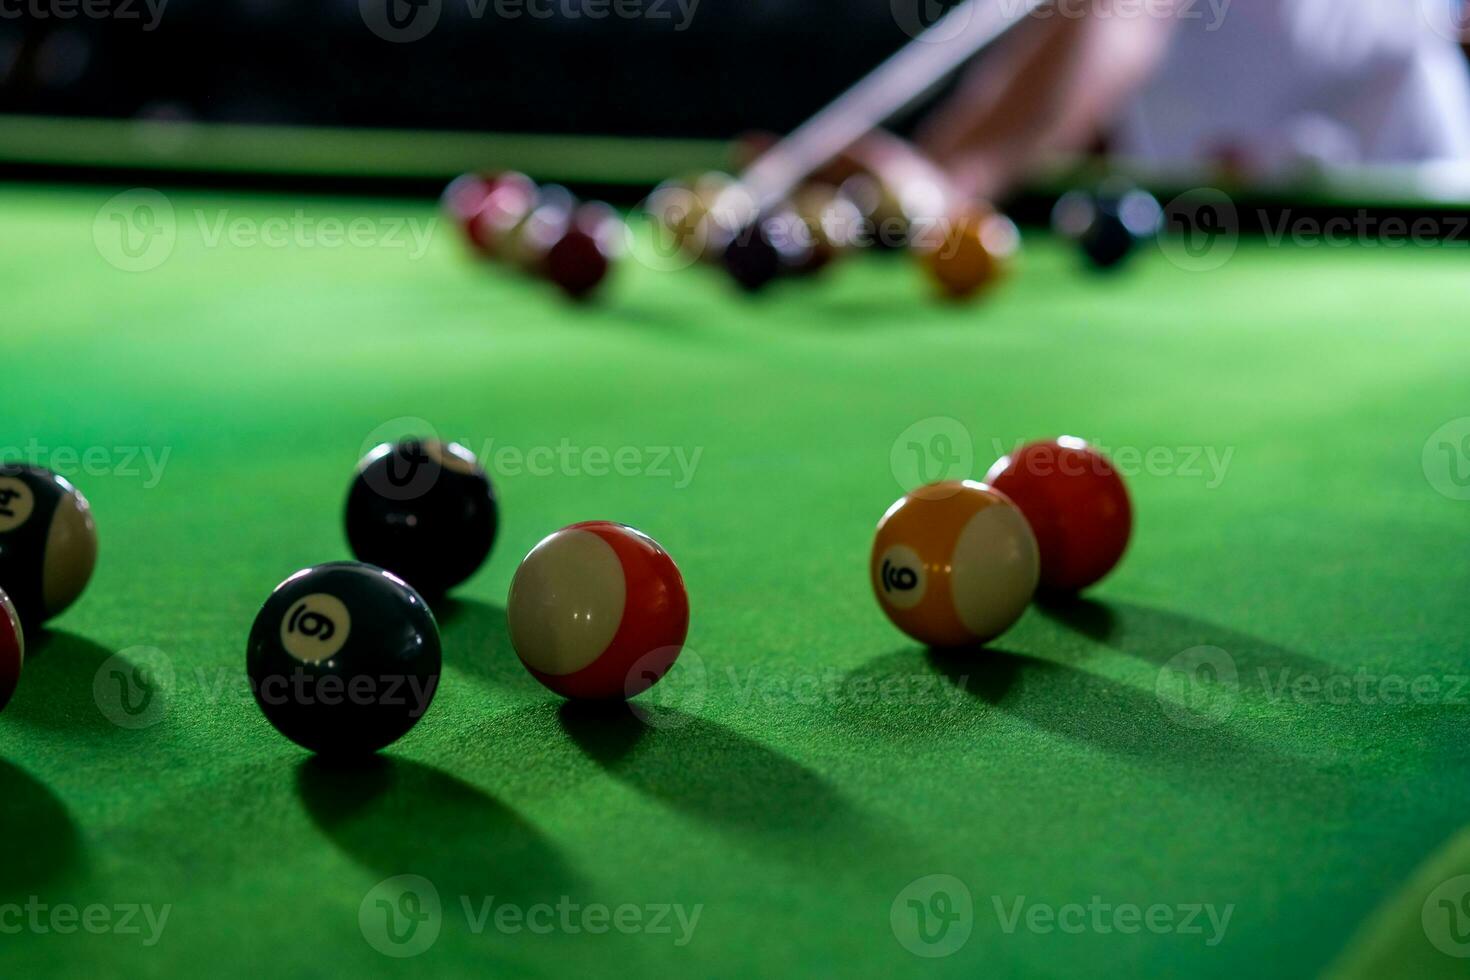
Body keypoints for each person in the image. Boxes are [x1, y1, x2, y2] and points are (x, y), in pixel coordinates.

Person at [915, 0, 1470, 199]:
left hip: (1424, 205)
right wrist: (942, 174)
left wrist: (954, 180)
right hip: (1201, 238)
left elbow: (1117, 20)